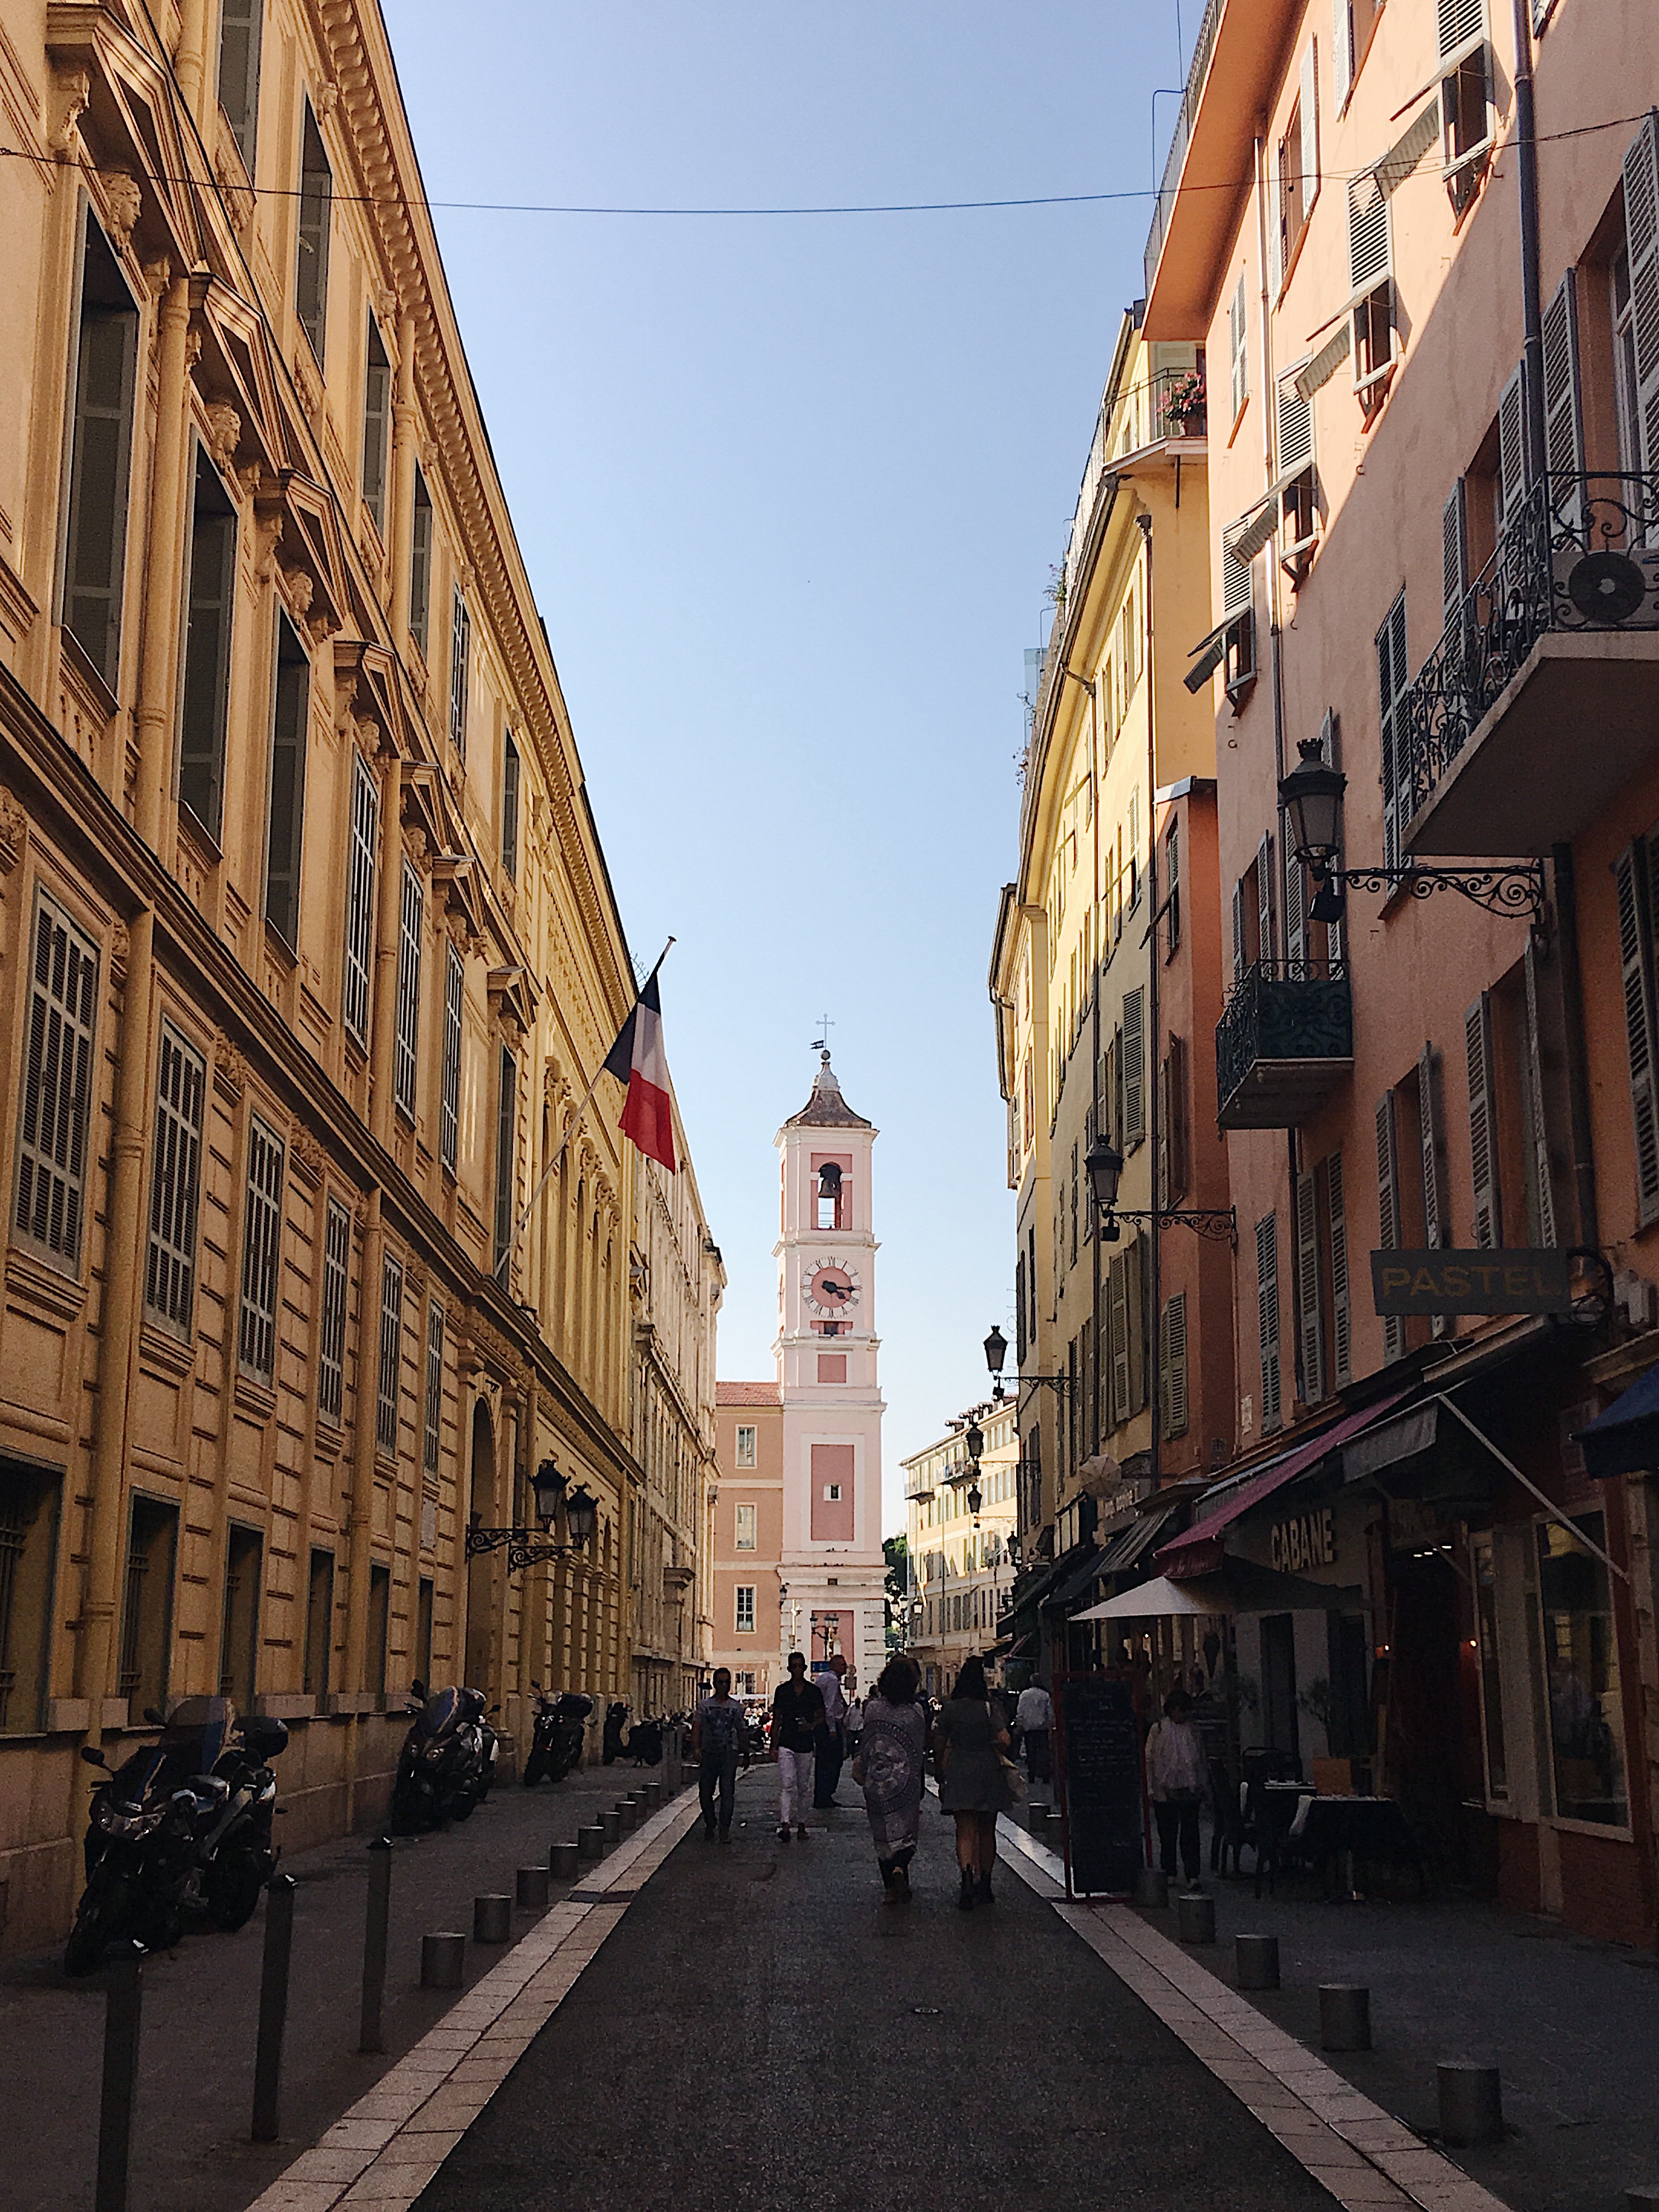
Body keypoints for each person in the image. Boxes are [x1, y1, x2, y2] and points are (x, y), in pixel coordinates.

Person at [934, 1655, 1014, 1910]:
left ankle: (967, 1879)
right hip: (987, 1770)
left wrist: (940, 1768)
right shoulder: (989, 1708)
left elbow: (937, 1739)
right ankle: (986, 1884)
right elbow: (1005, 1740)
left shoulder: (951, 1708)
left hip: (959, 1768)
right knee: (987, 1829)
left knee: (965, 1829)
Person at [1145, 1687, 1206, 1888]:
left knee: (1190, 1833)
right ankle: (1169, 1871)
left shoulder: (1193, 1730)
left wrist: (1200, 1783)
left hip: (1190, 1788)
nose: (1182, 1715)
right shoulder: (1159, 1730)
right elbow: (1150, 1759)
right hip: (1164, 1790)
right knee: (1168, 1833)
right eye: (1180, 1710)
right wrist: (1151, 1788)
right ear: (1171, 1710)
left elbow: (1200, 1758)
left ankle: (1192, 1873)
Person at [770, 1651, 825, 1839]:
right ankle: (785, 1823)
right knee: (787, 1784)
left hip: (806, 1743)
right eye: (794, 1666)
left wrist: (810, 1726)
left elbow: (821, 1716)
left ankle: (802, 1823)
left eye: (800, 1666)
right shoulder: (782, 1691)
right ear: (789, 1669)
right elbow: (777, 1718)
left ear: (805, 1668)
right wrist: (773, 1745)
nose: (797, 1670)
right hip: (787, 1742)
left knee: (803, 1786)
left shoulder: (813, 1692)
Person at [693, 1668, 748, 1841]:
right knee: (705, 1792)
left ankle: (724, 1828)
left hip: (728, 1754)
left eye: (727, 1682)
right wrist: (696, 1748)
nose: (724, 1686)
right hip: (709, 1753)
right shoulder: (704, 1706)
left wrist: (745, 1752)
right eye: (721, 1682)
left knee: (727, 1792)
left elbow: (742, 1730)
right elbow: (697, 1727)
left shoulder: (736, 1708)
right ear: (715, 1684)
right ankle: (710, 1822)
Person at [812, 1652, 850, 1806]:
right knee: (833, 1761)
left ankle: (822, 1794)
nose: (845, 1667)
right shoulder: (833, 1681)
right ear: (833, 1665)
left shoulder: (823, 1678)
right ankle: (825, 1794)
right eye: (842, 1665)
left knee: (824, 1762)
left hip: (824, 1725)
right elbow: (829, 1706)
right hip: (830, 1726)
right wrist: (833, 1728)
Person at [1014, 1678, 1053, 1786]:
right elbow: (1050, 1713)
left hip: (1029, 1729)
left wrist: (1020, 1725)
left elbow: (1020, 1711)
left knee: (1031, 1753)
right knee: (1043, 1752)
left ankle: (1032, 1775)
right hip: (1042, 1729)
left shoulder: (1024, 1695)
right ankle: (1045, 1776)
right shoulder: (1045, 1695)